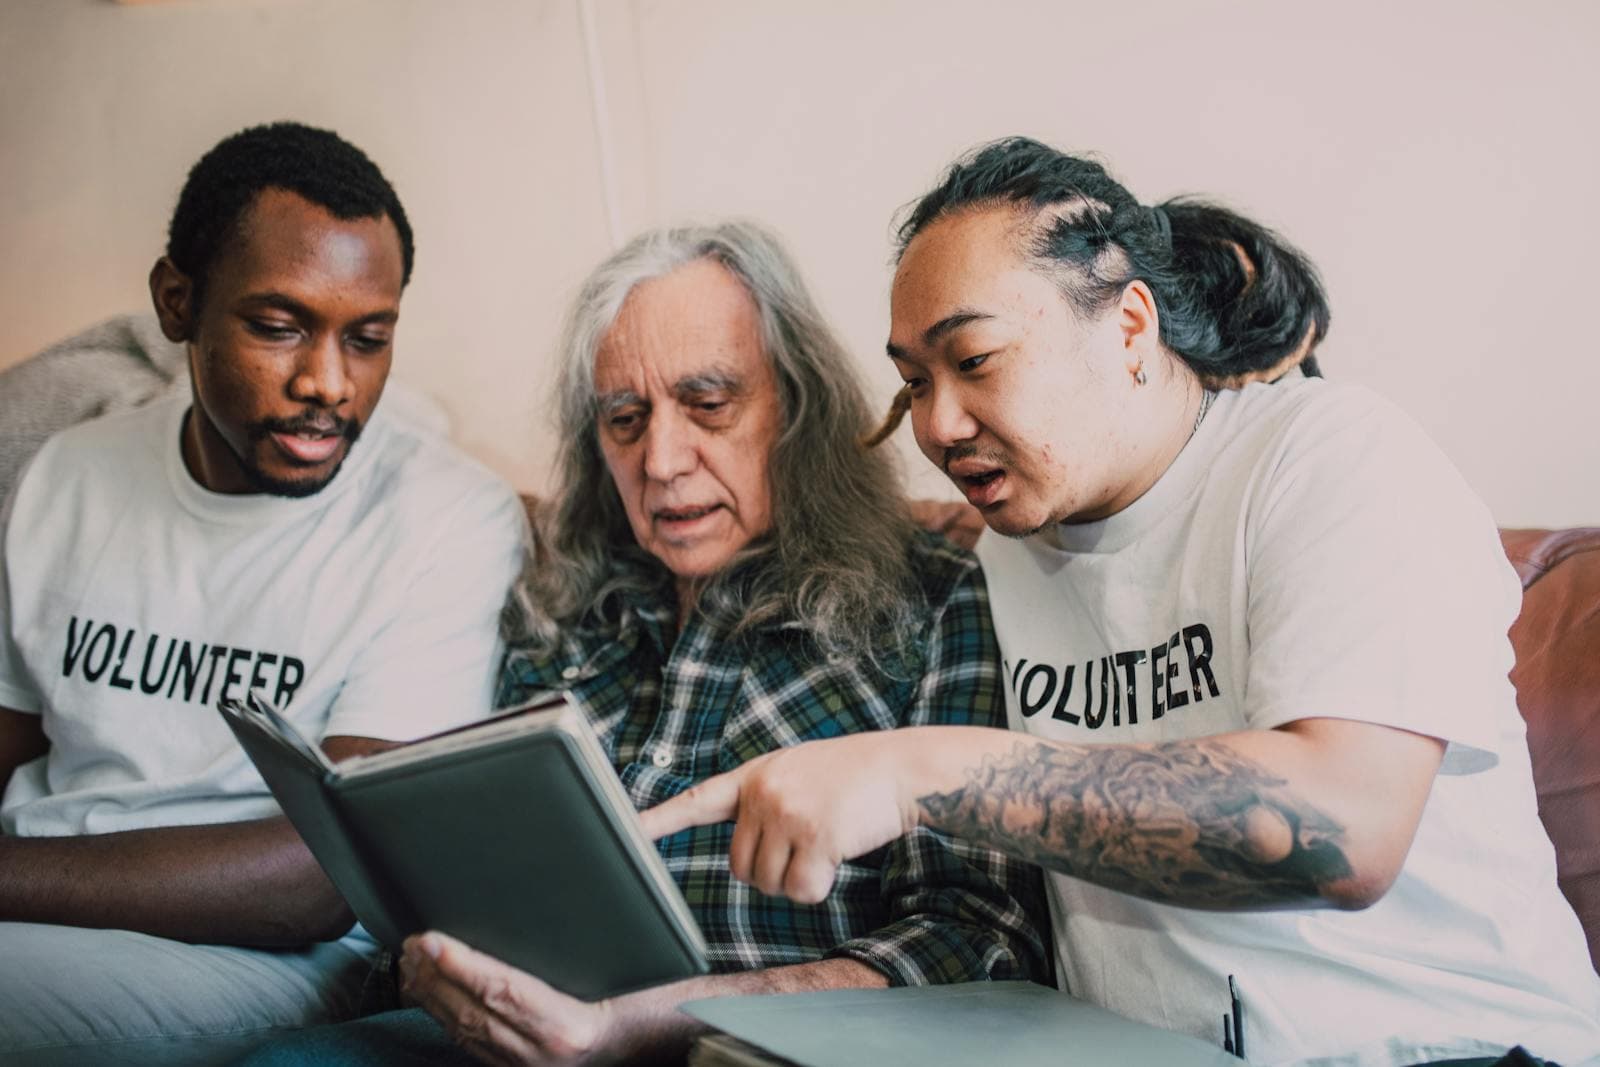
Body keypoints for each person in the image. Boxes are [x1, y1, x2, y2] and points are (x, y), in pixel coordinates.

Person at [643, 138, 1600, 1065]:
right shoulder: (1007, 550)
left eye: (974, 360)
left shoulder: (1335, 460)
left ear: (1131, 327)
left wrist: (914, 772)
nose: (937, 423)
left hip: (1451, 1045)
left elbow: (1339, 828)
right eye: (913, 381)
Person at [240, 220, 1051, 1066]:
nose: (661, 459)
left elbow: (978, 938)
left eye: (708, 405)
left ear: (799, 409)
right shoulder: (558, 611)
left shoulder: (934, 603)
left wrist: (650, 1020)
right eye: (625, 419)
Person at [0, 122, 525, 1064]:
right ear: (178, 303)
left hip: (260, 957)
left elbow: (324, 872)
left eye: (368, 338)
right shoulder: (69, 474)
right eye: (278, 327)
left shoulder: (446, 520)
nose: (327, 382)